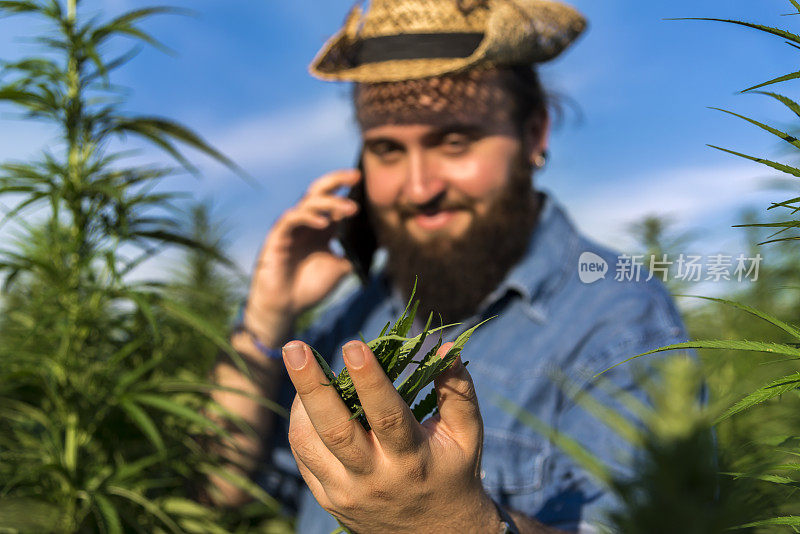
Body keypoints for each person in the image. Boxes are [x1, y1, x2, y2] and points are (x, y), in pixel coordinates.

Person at [211, 0, 688, 532]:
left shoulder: (615, 316)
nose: (420, 188)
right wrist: (264, 317)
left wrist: (459, 520)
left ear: (534, 134)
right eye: (388, 150)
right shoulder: (359, 315)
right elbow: (220, 488)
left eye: (454, 141)